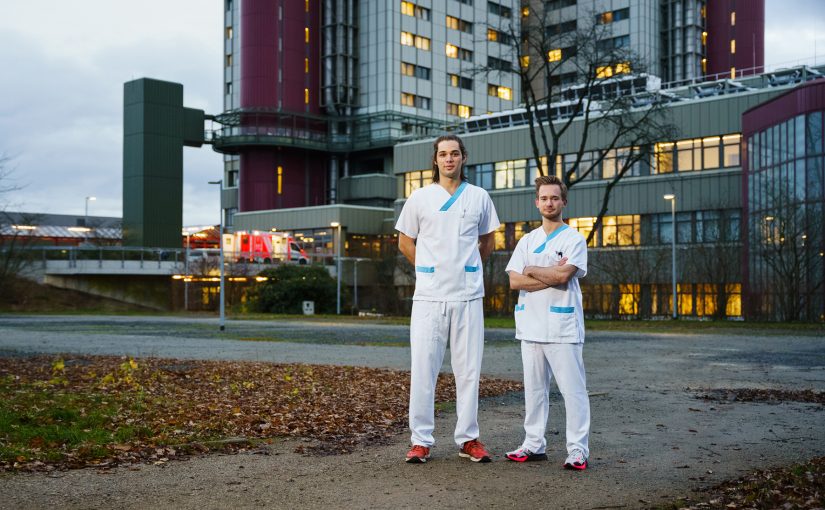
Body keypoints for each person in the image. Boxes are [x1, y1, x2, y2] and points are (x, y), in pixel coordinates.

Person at [395, 134, 501, 464]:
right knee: (423, 368)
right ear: (436, 160)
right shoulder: (421, 197)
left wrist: (470, 268)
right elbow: (404, 241)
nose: (449, 159)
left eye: (455, 153)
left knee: (469, 370)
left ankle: (469, 439)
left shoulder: (479, 197)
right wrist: (426, 270)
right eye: (443, 154)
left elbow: (488, 239)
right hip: (429, 297)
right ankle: (421, 441)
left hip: (468, 295)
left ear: (463, 158)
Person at [504, 174, 591, 470]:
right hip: (530, 326)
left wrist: (532, 269)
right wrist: (546, 274)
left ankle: (578, 450)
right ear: (536, 202)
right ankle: (533, 444)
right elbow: (515, 281)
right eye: (544, 198)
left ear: (564, 202)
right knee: (534, 390)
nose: (549, 203)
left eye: (554, 198)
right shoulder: (528, 240)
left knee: (573, 391)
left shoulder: (574, 239)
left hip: (562, 328)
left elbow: (564, 276)